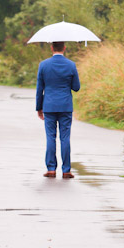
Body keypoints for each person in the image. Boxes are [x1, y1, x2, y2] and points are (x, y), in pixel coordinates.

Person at [35, 41, 81, 179]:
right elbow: (76, 87)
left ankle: (51, 169)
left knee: (50, 137)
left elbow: (39, 89)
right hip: (65, 106)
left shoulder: (43, 65)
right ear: (64, 48)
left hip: (49, 106)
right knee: (65, 138)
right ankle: (66, 170)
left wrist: (39, 108)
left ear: (51, 47)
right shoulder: (71, 65)